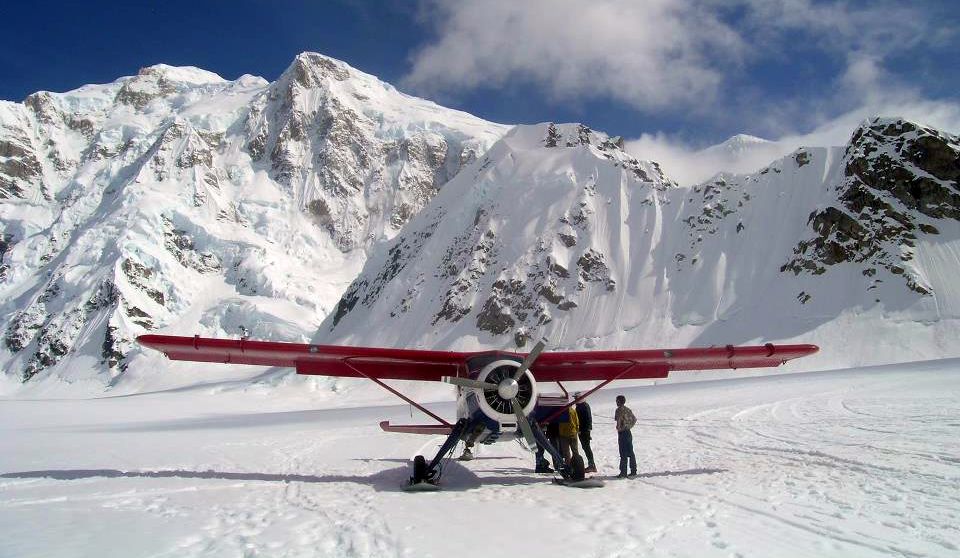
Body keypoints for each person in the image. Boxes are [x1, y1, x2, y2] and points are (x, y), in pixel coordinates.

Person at [614, 394, 637, 478]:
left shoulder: (618, 410)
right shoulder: (628, 409)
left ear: (619, 402)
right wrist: (629, 426)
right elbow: (634, 419)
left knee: (623, 453)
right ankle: (633, 470)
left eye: (617, 401)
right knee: (630, 452)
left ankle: (623, 472)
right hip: (628, 432)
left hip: (623, 433)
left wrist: (620, 428)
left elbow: (619, 421)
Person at [575, 394, 597, 473]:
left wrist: (582, 429)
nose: (575, 400)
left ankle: (592, 465)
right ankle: (591, 465)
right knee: (586, 447)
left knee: (586, 447)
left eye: (576, 398)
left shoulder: (582, 406)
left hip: (583, 431)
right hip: (584, 430)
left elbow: (586, 419)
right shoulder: (584, 405)